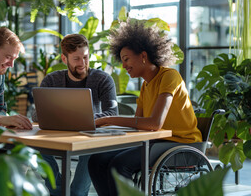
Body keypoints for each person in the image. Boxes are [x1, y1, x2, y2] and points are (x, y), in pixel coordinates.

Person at [88, 20, 202, 196]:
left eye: (126, 59)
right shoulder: (146, 85)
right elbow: (138, 124)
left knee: (120, 164)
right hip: (157, 143)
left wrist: (107, 119)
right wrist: (106, 128)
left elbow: (154, 123)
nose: (124, 65)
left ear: (143, 55)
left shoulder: (170, 76)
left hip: (180, 144)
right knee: (97, 160)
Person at [32, 34, 118, 196]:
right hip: (57, 136)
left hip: (90, 138)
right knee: (36, 149)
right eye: (76, 59)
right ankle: (57, 185)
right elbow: (37, 115)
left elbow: (113, 112)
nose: (83, 63)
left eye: (85, 57)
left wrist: (87, 119)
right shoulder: (51, 80)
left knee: (77, 192)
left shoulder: (103, 80)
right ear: (65, 59)